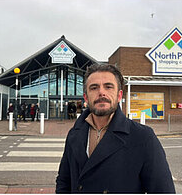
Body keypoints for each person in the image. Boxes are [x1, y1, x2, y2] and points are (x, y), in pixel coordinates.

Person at [55, 64, 175, 194]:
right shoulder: (74, 134)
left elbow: (162, 190)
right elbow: (64, 181)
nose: (101, 92)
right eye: (94, 88)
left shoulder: (143, 137)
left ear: (119, 96)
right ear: (86, 98)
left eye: (108, 87)